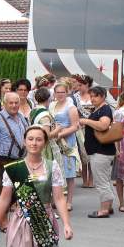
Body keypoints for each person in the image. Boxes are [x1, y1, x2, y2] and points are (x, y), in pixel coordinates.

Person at [0, 92, 29, 209]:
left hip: (20, 158)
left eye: (16, 103)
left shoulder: (21, 117)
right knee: (6, 191)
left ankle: (19, 215)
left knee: (22, 190)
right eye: (11, 103)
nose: (14, 105)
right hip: (3, 159)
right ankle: (3, 217)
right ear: (4, 104)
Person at [80, 86, 115, 218]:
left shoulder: (104, 109)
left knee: (101, 181)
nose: (92, 99)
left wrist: (86, 121)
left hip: (101, 151)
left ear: (103, 96)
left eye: (95, 96)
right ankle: (108, 206)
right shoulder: (99, 109)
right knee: (105, 180)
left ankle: (104, 209)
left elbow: (103, 125)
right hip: (101, 151)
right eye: (91, 96)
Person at [49, 82, 79, 211]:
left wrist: (60, 134)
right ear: (54, 93)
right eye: (58, 92)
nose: (60, 94)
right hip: (54, 140)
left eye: (63, 92)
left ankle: (69, 201)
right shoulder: (52, 105)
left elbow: (75, 126)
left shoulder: (71, 107)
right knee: (55, 170)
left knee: (68, 172)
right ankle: (56, 198)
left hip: (67, 141)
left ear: (67, 92)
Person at [30, 87, 63, 166]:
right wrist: (58, 128)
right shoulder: (45, 115)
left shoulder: (33, 110)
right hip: (46, 148)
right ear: (48, 98)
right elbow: (47, 135)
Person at [73, 74, 94, 188]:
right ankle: (85, 180)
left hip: (92, 127)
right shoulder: (75, 97)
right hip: (80, 128)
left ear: (87, 85)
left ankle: (91, 180)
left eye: (81, 85)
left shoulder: (94, 95)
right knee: (82, 153)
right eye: (78, 85)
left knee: (92, 153)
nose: (79, 87)